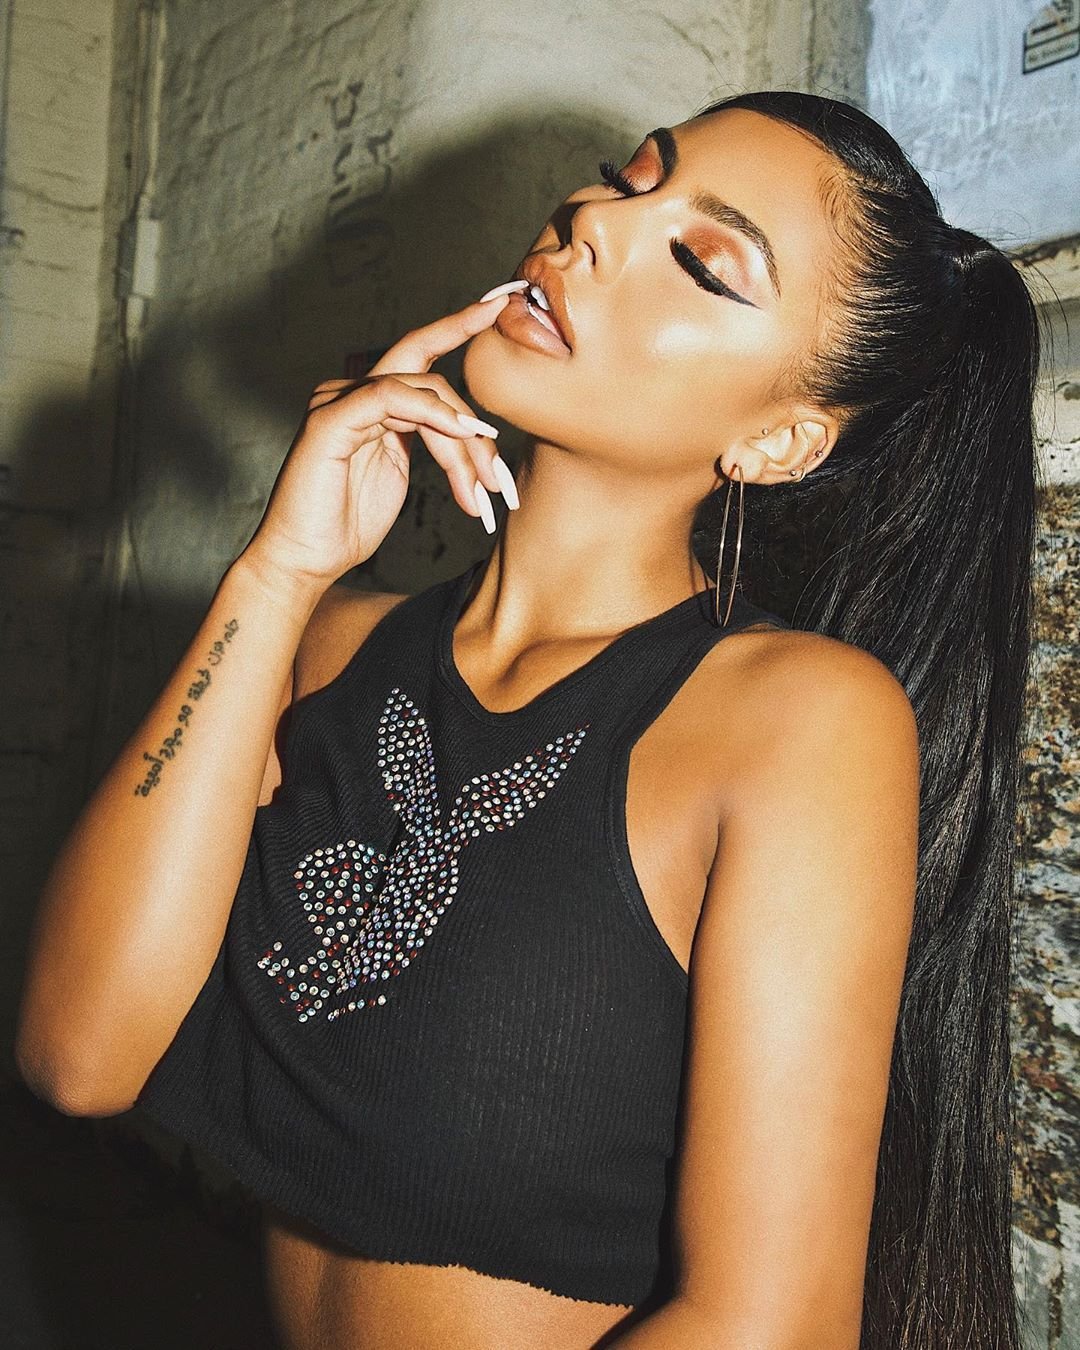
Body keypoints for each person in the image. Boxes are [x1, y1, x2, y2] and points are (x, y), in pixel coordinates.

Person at [15, 89, 1038, 1350]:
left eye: (702, 261)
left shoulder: (794, 720)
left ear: (780, 438)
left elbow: (766, 1325)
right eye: (625, 179)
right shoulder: (333, 643)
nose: (590, 222)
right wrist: (279, 572)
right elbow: (78, 1056)